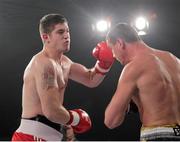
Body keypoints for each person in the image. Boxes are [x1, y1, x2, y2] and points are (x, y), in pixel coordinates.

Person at [11, 13, 114, 141]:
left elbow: (91, 79)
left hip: (53, 135)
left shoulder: (65, 63)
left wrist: (104, 63)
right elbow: (51, 111)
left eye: (67, 31)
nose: (66, 36)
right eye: (60, 32)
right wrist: (76, 119)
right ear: (45, 37)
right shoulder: (43, 64)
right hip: (31, 136)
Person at [104, 23, 180, 141]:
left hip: (157, 135)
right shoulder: (174, 60)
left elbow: (111, 121)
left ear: (120, 43)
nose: (113, 55)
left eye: (112, 49)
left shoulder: (133, 67)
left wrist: (125, 107)